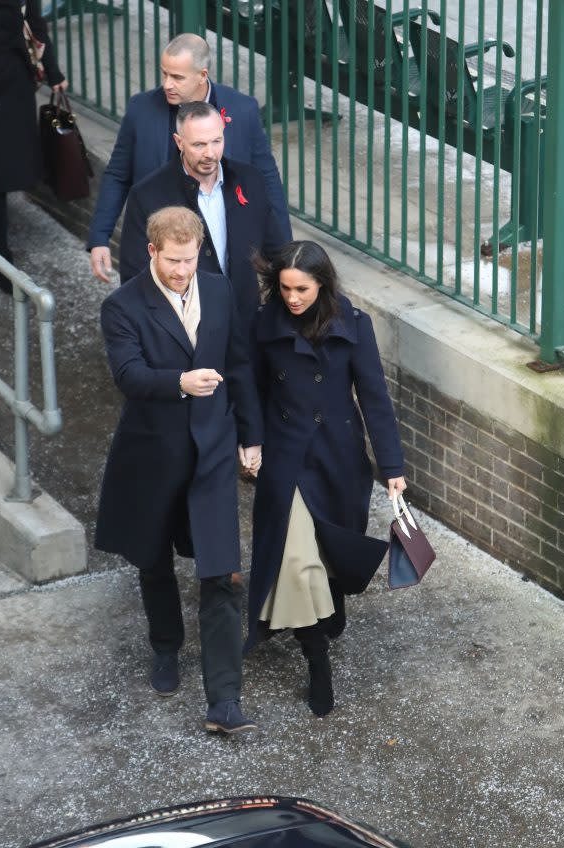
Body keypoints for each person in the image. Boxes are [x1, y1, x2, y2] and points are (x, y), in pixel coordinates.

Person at [95, 206, 263, 734]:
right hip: (153, 453)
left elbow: (238, 365)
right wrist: (179, 383)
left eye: (188, 260)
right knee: (154, 560)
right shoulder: (122, 306)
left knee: (219, 571)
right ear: (152, 251)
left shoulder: (215, 288)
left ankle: (225, 701)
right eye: (172, 261)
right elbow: (128, 375)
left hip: (212, 451)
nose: (181, 271)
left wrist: (250, 435)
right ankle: (165, 648)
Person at [244, 240, 407, 718]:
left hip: (338, 458)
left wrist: (393, 468)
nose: (292, 298)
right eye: (285, 288)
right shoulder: (264, 325)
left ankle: (330, 603)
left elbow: (374, 398)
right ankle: (317, 661)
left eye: (302, 289)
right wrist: (251, 440)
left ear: (323, 285)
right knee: (295, 560)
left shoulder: (354, 327)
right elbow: (250, 389)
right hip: (286, 458)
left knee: (330, 548)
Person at [88, 32, 291, 282]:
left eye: (177, 77)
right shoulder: (140, 109)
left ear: (202, 76)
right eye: (164, 74)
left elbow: (267, 178)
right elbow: (118, 174)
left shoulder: (243, 109)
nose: (167, 84)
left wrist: (286, 254)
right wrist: (100, 237)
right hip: (160, 249)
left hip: (222, 251)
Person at [119, 101, 286, 330]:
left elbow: (277, 253)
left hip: (246, 328)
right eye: (198, 144)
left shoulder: (250, 180)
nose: (210, 153)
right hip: (187, 334)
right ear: (179, 142)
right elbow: (134, 276)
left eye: (216, 141)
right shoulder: (147, 196)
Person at [0, 0, 67, 294]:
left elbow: (36, 25)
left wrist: (54, 72)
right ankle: (0, 256)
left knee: (7, 164)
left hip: (11, 83)